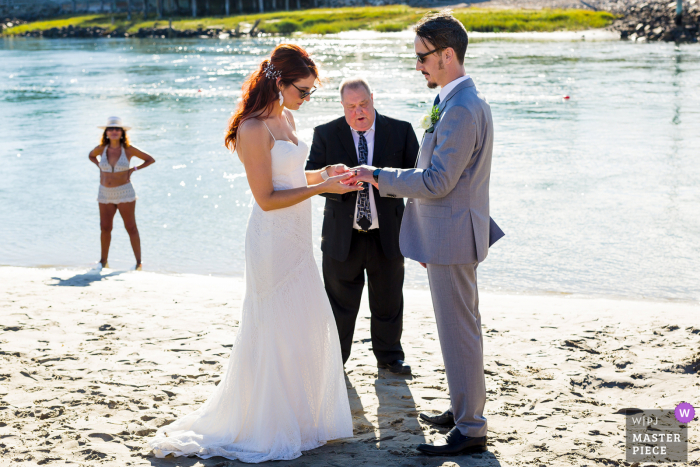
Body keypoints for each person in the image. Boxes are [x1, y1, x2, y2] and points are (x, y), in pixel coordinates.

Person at [149, 44, 360, 463]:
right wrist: (322, 189)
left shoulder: (286, 117)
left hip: (297, 239)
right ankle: (268, 423)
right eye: (304, 89)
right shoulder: (252, 128)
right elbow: (266, 197)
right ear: (279, 83)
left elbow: (292, 176)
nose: (307, 98)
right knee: (275, 327)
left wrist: (326, 173)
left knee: (304, 324)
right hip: (270, 240)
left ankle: (301, 420)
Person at [347, 10, 505, 456]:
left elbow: (437, 181)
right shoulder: (458, 102)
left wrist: (376, 174)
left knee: (458, 331)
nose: (417, 65)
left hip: (453, 235)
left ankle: (471, 427)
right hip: (451, 231)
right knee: (461, 327)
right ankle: (464, 409)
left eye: (422, 57)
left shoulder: (461, 108)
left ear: (446, 55)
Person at [305, 78, 419, 375]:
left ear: (373, 98)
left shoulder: (401, 130)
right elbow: (309, 180)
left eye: (364, 104)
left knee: (389, 300)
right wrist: (335, 183)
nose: (359, 112)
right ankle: (335, 361)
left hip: (388, 234)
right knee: (339, 306)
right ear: (342, 106)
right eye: (351, 107)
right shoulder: (326, 133)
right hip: (342, 237)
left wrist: (380, 179)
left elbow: (418, 182)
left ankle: (390, 358)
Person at [88, 117, 155, 271]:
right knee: (105, 228)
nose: (114, 131)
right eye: (110, 129)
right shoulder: (101, 149)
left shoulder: (129, 149)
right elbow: (90, 155)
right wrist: (99, 165)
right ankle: (103, 262)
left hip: (124, 192)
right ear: (106, 133)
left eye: (117, 129)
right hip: (104, 193)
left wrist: (133, 169)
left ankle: (138, 263)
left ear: (122, 132)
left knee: (131, 227)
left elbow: (150, 159)